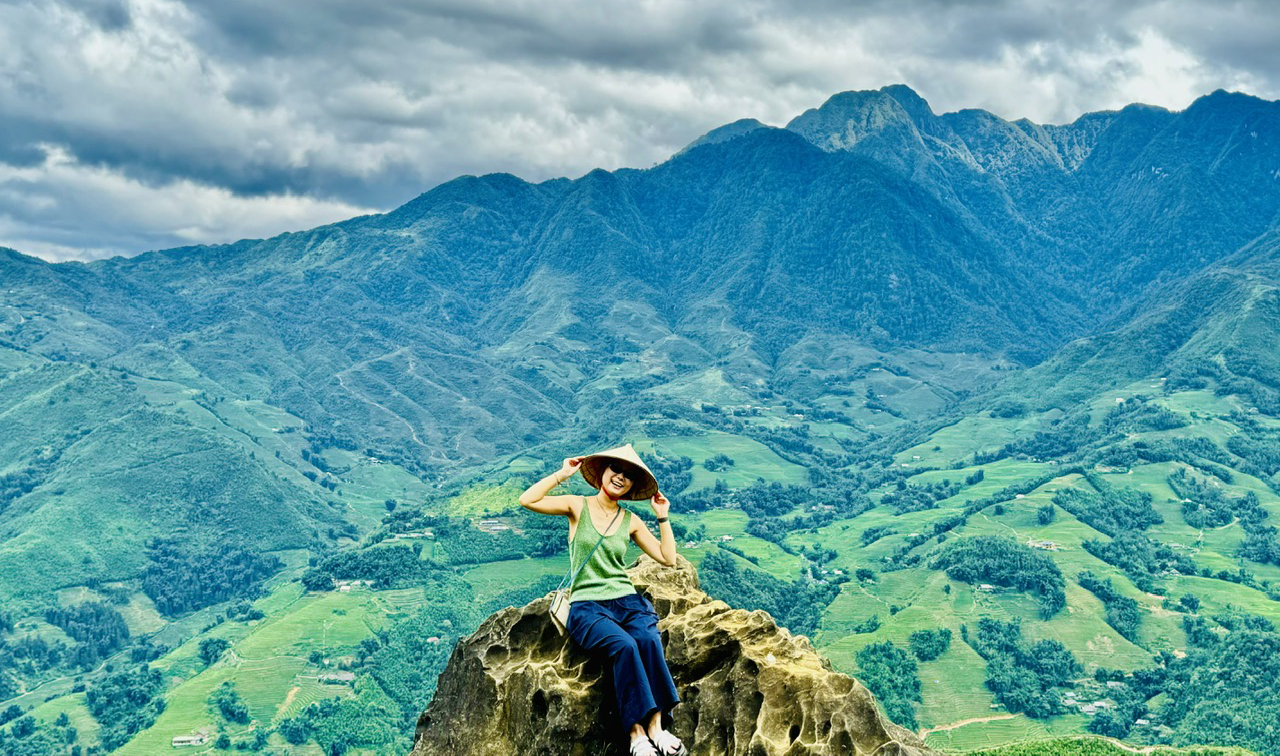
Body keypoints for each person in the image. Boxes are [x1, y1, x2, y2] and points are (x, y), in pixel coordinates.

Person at [519, 444, 687, 756]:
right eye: (615, 470)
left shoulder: (630, 520)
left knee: (648, 639)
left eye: (628, 475)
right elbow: (527, 500)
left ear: (632, 485)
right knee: (623, 646)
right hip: (587, 606)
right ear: (602, 474)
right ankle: (637, 733)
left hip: (626, 601)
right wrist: (563, 474)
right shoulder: (576, 506)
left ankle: (656, 725)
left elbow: (668, 558)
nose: (620, 477)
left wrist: (662, 516)